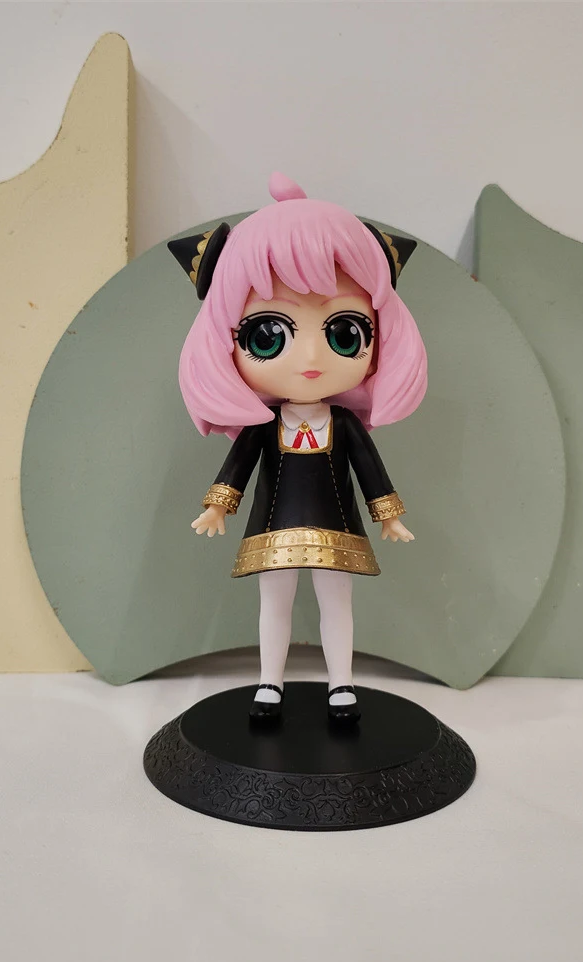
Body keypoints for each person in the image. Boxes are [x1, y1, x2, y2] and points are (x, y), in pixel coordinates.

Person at [169, 173, 427, 723]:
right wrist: (218, 505)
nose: (310, 359)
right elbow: (238, 466)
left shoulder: (344, 424)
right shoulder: (264, 426)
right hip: (274, 525)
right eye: (267, 336)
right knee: (274, 604)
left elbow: (370, 471)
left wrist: (388, 515)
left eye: (344, 333)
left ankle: (341, 685)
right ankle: (269, 683)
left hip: (338, 524)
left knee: (338, 604)